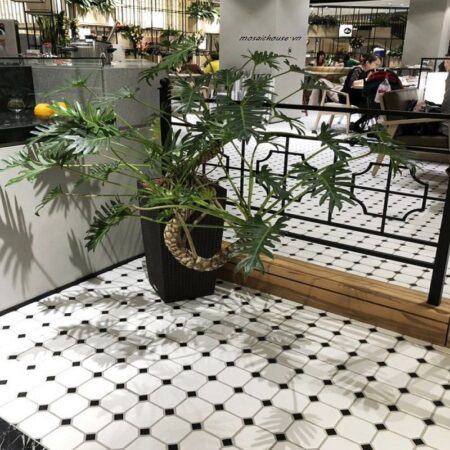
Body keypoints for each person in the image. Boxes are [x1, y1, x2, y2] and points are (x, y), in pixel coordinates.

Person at [340, 53, 381, 132]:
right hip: (348, 97)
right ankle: (357, 124)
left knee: (378, 104)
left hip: (358, 97)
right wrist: (367, 79)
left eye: (378, 65)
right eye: (376, 64)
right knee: (376, 106)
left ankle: (359, 125)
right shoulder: (358, 69)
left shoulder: (367, 72)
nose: (377, 67)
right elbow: (352, 84)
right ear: (368, 63)